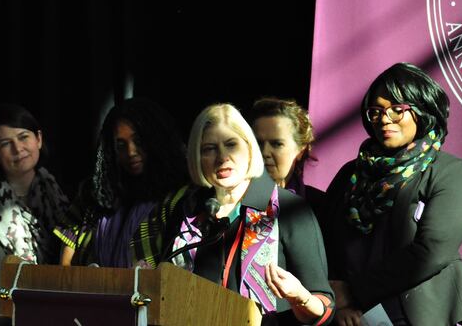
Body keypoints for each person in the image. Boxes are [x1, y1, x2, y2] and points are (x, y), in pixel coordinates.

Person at [319, 62, 462, 326]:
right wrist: (338, 300)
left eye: (397, 110)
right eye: (376, 111)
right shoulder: (351, 173)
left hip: (418, 315)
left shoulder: (449, 171)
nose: (384, 119)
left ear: (423, 111)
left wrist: (355, 292)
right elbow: (323, 241)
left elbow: (432, 252)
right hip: (350, 315)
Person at [167, 103, 334, 325]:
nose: (222, 158)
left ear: (249, 148)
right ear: (197, 157)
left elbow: (324, 308)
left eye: (231, 145)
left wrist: (300, 298)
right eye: (209, 148)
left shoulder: (289, 209)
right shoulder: (189, 210)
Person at [55, 97, 189, 268]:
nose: (131, 151)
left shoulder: (178, 197)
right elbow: (66, 262)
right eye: (121, 145)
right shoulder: (94, 192)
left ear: (156, 141)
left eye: (138, 141)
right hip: (90, 292)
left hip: (148, 293)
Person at [0, 104, 69, 326]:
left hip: (47, 315)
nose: (18, 149)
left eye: (23, 137)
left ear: (38, 139)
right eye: (6, 144)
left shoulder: (63, 197)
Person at [250, 97, 316, 196]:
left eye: (277, 144)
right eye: (258, 143)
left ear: (300, 151)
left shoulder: (321, 207)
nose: (264, 152)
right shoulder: (231, 204)